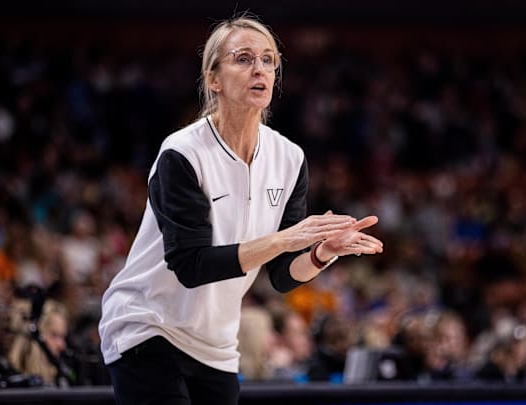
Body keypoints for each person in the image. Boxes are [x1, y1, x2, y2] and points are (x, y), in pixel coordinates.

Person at [98, 15, 384, 405]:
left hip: (215, 343)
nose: (259, 69)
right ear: (214, 78)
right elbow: (191, 265)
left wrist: (321, 253)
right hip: (147, 326)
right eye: (244, 58)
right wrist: (283, 239)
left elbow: (282, 275)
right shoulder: (182, 154)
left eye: (268, 60)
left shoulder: (289, 158)